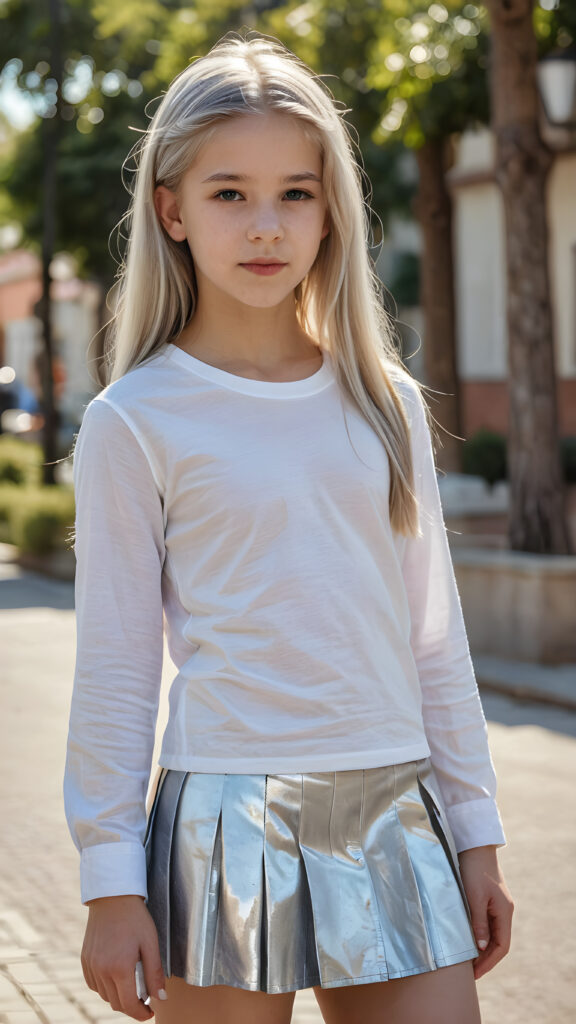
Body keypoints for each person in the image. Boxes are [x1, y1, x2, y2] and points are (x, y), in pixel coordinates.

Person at [63, 30, 513, 1024]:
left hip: (395, 805)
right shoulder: (134, 420)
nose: (266, 226)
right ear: (172, 210)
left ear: (329, 210)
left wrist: (476, 833)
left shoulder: (385, 402)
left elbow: (434, 639)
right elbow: (117, 670)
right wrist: (109, 883)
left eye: (296, 194)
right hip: (223, 818)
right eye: (230, 193)